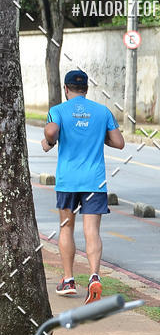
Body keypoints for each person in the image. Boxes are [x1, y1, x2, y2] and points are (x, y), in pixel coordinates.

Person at [42, 69, 124, 304]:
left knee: (66, 227)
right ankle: (94, 276)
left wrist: (50, 139)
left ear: (66, 89)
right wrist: (101, 137)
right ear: (86, 89)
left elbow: (51, 132)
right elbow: (119, 143)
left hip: (68, 181)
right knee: (92, 231)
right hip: (94, 182)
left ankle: (68, 280)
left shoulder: (57, 111)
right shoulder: (102, 111)